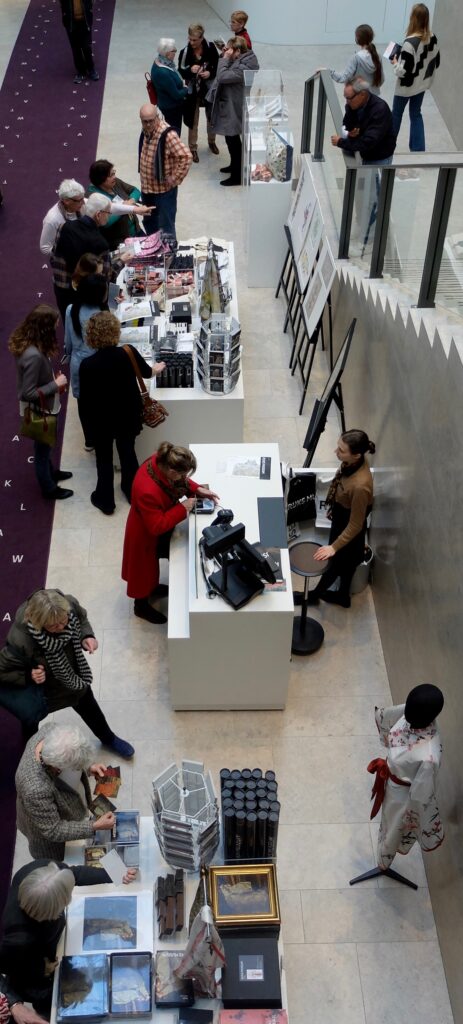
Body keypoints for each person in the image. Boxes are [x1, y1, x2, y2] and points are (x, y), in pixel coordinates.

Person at [0, 589, 135, 756]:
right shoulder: (21, 640)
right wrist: (29, 675)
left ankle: (109, 739)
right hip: (43, 694)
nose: (62, 627)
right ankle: (31, 755)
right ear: (38, 623)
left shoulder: (68, 605)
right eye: (54, 626)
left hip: (73, 680)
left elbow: (81, 617)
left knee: (91, 709)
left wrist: (86, 636)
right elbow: (3, 671)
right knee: (30, 726)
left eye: (64, 621)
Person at [0, 859, 136, 1019]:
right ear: (52, 912)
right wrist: (40, 968)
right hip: (35, 974)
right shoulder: (19, 938)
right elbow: (6, 966)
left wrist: (113, 874)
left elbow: (75, 874)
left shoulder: (43, 871)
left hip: (53, 943)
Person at [122, 442, 219, 624]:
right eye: (183, 474)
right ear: (172, 472)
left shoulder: (160, 461)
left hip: (154, 523)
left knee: (150, 570)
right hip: (143, 534)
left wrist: (196, 488)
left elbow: (181, 481)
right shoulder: (146, 491)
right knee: (143, 572)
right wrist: (183, 508)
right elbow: (156, 526)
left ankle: (152, 588)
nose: (185, 478)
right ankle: (140, 606)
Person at [79, 311, 165, 514]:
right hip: (127, 414)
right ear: (115, 331)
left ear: (91, 336)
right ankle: (131, 491)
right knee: (128, 452)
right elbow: (147, 372)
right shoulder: (128, 352)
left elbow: (86, 400)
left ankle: (105, 499)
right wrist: (158, 367)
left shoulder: (87, 365)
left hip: (102, 420)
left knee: (104, 458)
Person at [15, 723, 120, 860]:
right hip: (49, 837)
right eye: (76, 767)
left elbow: (71, 756)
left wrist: (89, 767)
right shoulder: (35, 789)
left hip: (71, 802)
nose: (78, 769)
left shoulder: (53, 730)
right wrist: (94, 826)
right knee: (63, 864)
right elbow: (53, 830)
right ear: (57, 767)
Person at [368, 684, 444, 869]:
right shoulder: (412, 712)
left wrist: (410, 818)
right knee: (385, 823)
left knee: (392, 829)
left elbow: (421, 796)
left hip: (401, 796)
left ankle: (383, 863)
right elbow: (387, 717)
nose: (405, 714)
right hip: (390, 780)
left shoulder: (429, 757)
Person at [8, 305, 73, 502]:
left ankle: (51, 473)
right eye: (55, 323)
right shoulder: (34, 355)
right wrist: (55, 384)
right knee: (42, 450)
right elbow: (26, 393)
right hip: (41, 408)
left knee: (46, 443)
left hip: (43, 404)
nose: (58, 325)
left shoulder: (31, 343)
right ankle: (49, 488)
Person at [310, 429, 375, 608]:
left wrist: (333, 547)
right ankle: (343, 597)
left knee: (335, 563)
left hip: (349, 523)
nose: (335, 452)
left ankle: (314, 596)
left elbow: (356, 524)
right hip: (343, 513)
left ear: (356, 455)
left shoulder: (360, 486)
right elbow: (342, 486)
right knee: (346, 566)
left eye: (341, 450)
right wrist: (335, 505)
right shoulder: (353, 462)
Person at [64, 273, 109, 450]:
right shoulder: (102, 312)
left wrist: (69, 354)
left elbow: (68, 341)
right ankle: (103, 436)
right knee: (101, 402)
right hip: (100, 364)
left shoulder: (71, 310)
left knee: (83, 405)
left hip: (78, 363)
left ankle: (89, 440)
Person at [207, 36, 259, 186]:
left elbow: (222, 76)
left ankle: (237, 175)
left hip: (234, 106)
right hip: (231, 103)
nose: (227, 52)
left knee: (233, 140)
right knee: (231, 139)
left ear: (237, 51)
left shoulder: (245, 67)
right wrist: (227, 56)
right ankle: (234, 166)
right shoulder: (241, 60)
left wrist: (225, 58)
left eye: (230, 49)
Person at [138, 103, 192, 238]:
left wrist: (175, 178)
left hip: (164, 192)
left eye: (151, 121)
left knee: (166, 227)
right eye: (145, 122)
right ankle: (154, 252)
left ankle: (169, 256)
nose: (148, 125)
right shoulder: (146, 131)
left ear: (157, 117)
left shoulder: (168, 135)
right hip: (147, 189)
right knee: (149, 222)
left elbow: (186, 156)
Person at [391, 3, 440, 153]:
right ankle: (418, 150)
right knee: (416, 114)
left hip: (406, 88)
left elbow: (403, 71)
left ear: (414, 19)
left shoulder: (409, 44)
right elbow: (436, 61)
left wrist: (395, 62)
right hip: (421, 85)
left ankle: (388, 144)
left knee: (396, 114)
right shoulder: (432, 38)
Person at [178, 23, 219, 161]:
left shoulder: (211, 47)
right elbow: (181, 70)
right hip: (193, 91)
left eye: (194, 40)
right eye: (190, 39)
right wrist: (190, 70)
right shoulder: (185, 51)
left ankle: (212, 141)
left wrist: (209, 73)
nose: (191, 42)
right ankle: (193, 147)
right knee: (193, 119)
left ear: (202, 38)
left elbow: (218, 66)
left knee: (211, 117)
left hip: (208, 88)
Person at [331, 79, 396, 164]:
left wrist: (341, 142)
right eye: (345, 97)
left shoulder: (380, 110)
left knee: (374, 177)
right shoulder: (352, 105)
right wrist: (350, 132)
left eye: (349, 98)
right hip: (362, 153)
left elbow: (368, 142)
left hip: (378, 158)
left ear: (362, 95)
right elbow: (346, 124)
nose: (347, 102)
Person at [87, 160, 145, 249]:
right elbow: (106, 222)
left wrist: (131, 201)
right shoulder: (93, 196)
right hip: (120, 242)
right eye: (111, 175)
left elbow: (135, 190)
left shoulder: (115, 183)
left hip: (136, 231)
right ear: (101, 178)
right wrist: (124, 208)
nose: (115, 177)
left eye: (114, 173)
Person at [324, 24, 384, 95]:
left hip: (360, 99)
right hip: (375, 100)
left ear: (357, 38)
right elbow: (381, 80)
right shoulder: (378, 57)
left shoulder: (356, 58)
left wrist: (328, 71)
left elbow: (343, 78)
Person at [150, 39, 188, 135]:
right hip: (171, 107)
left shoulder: (159, 61)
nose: (175, 51)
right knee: (174, 132)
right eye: (173, 51)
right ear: (167, 54)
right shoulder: (163, 73)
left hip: (166, 103)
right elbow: (176, 94)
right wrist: (186, 89)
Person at [58, 0, 99, 84]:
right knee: (76, 48)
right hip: (71, 21)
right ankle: (81, 71)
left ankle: (91, 69)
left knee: (86, 46)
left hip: (85, 20)